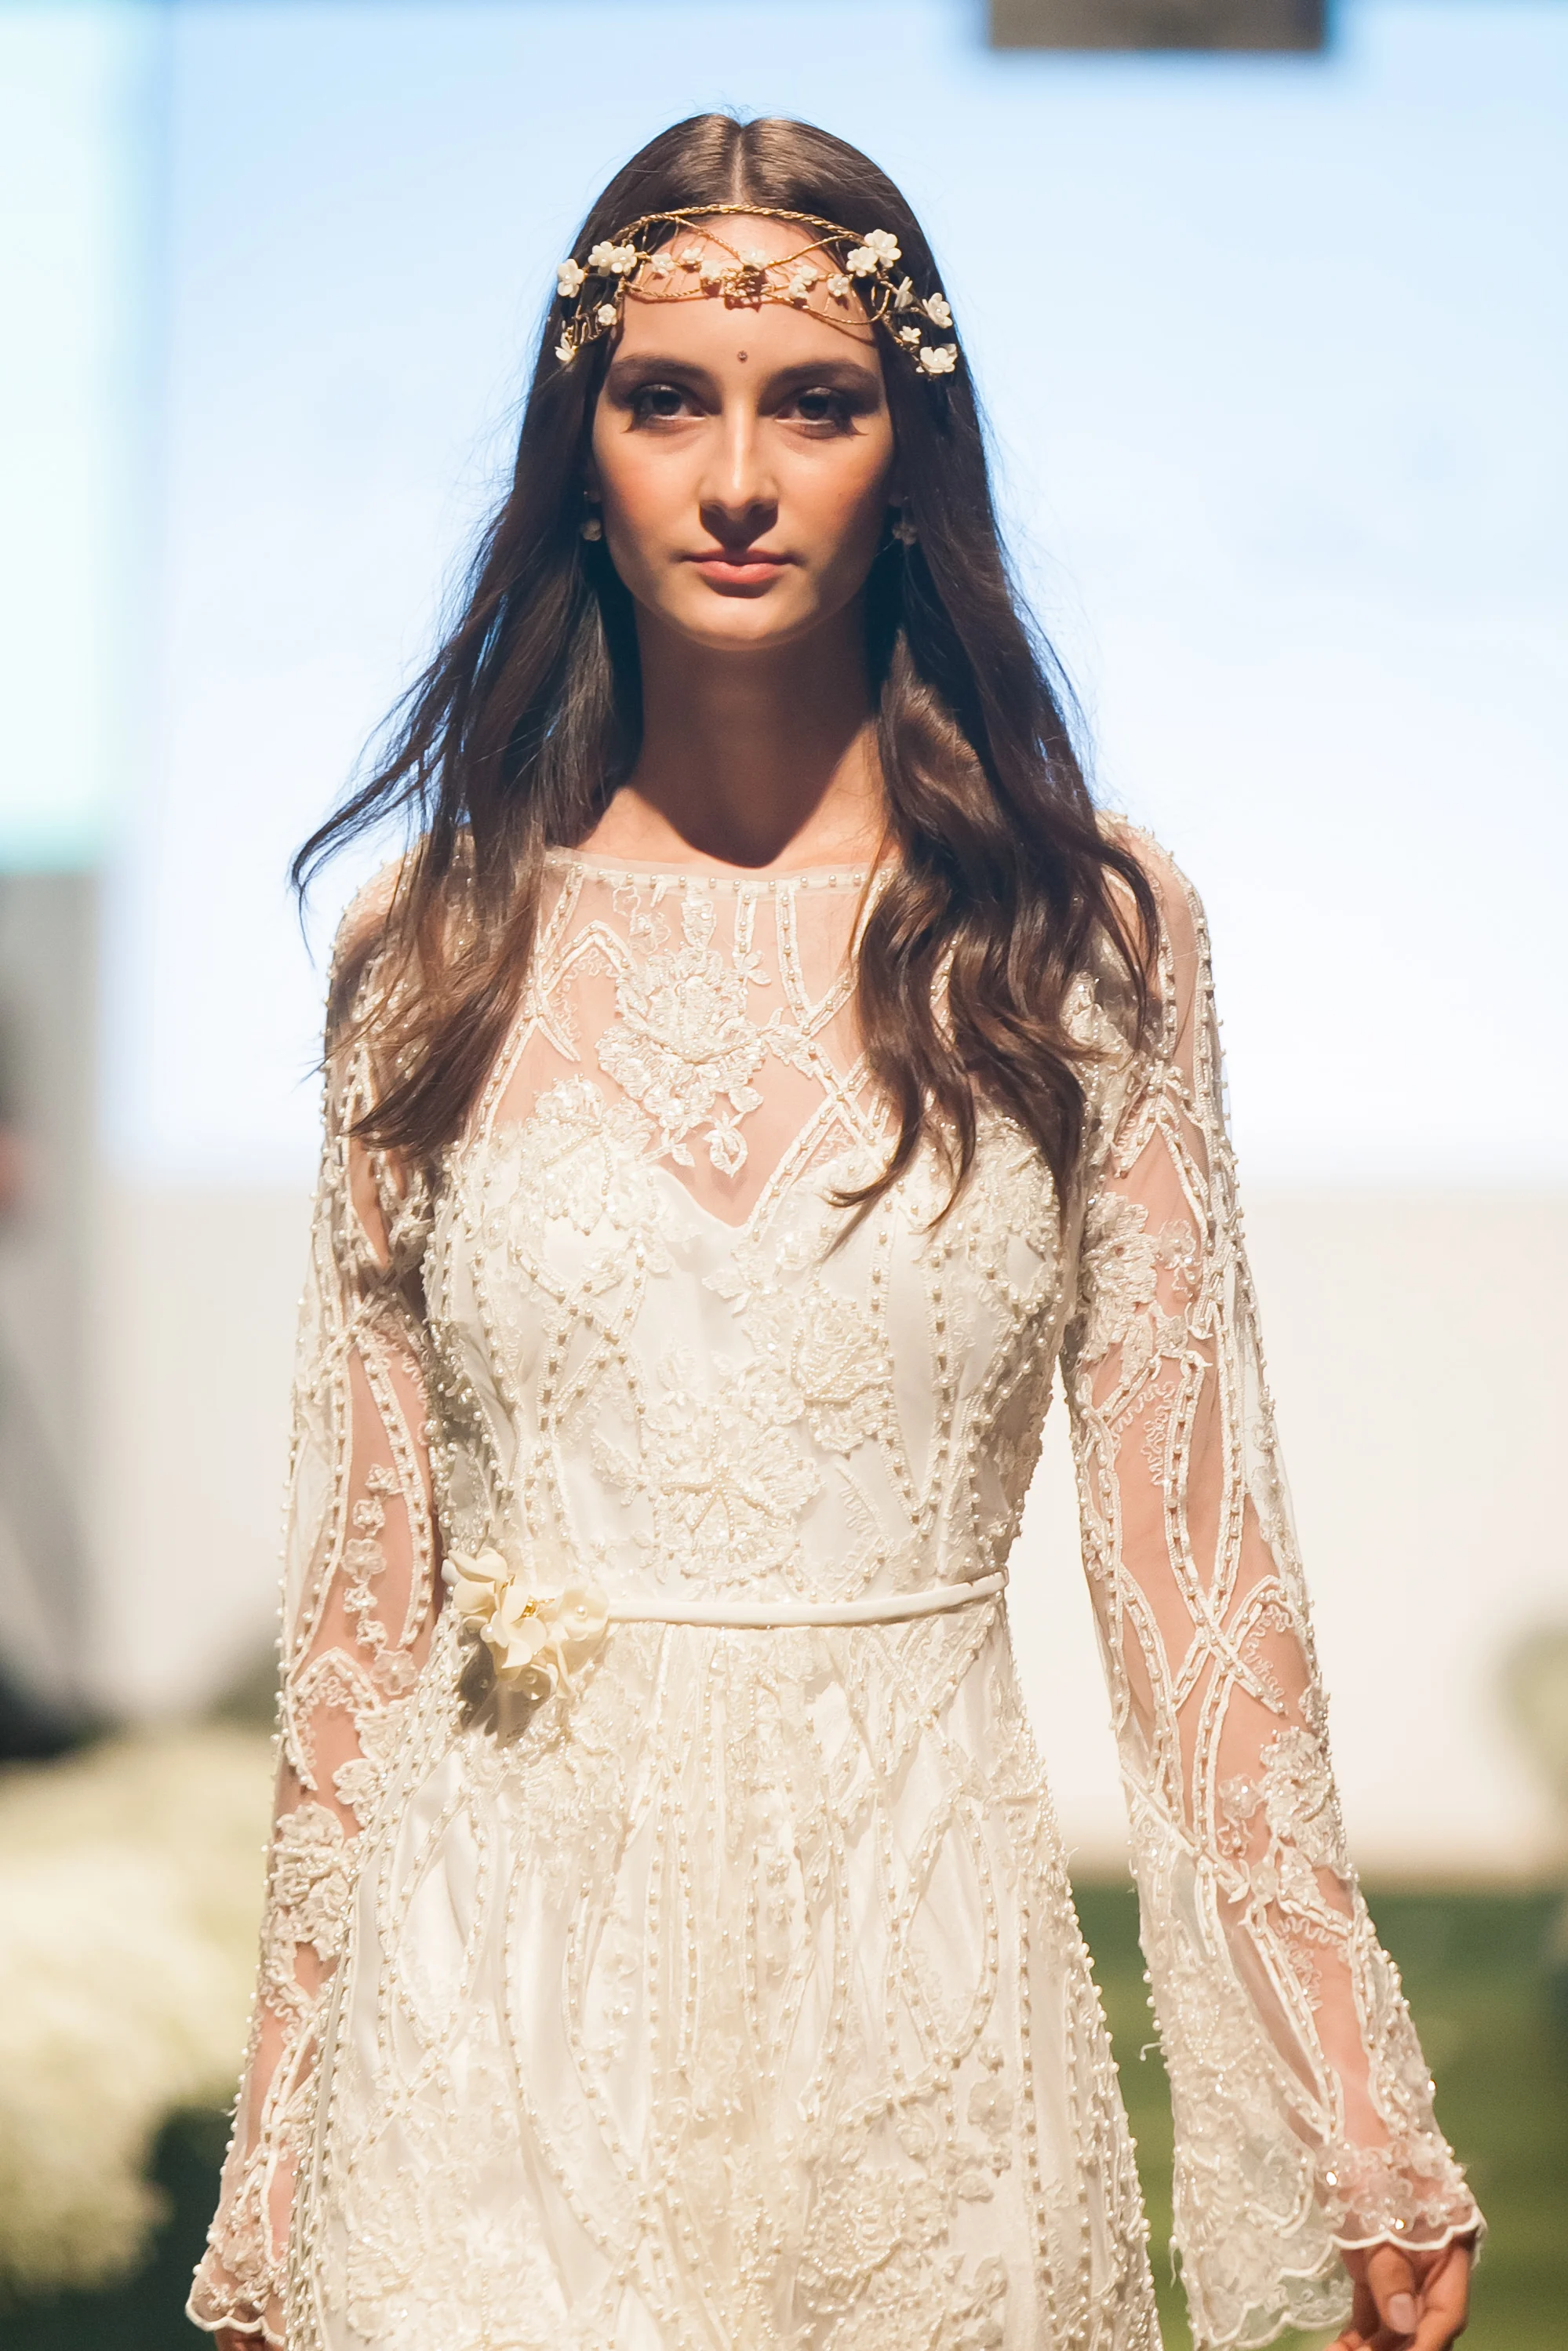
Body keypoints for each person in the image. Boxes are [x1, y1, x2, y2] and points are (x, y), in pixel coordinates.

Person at [191, 113, 1479, 2351]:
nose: (736, 479)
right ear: (577, 456)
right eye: (663, 400)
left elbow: (1194, 1576)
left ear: (911, 458)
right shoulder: (432, 947)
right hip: (494, 2014)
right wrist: (289, 2152)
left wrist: (1343, 2100)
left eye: (814, 403)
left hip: (921, 2008)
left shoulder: (1080, 938)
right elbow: (362, 1611)